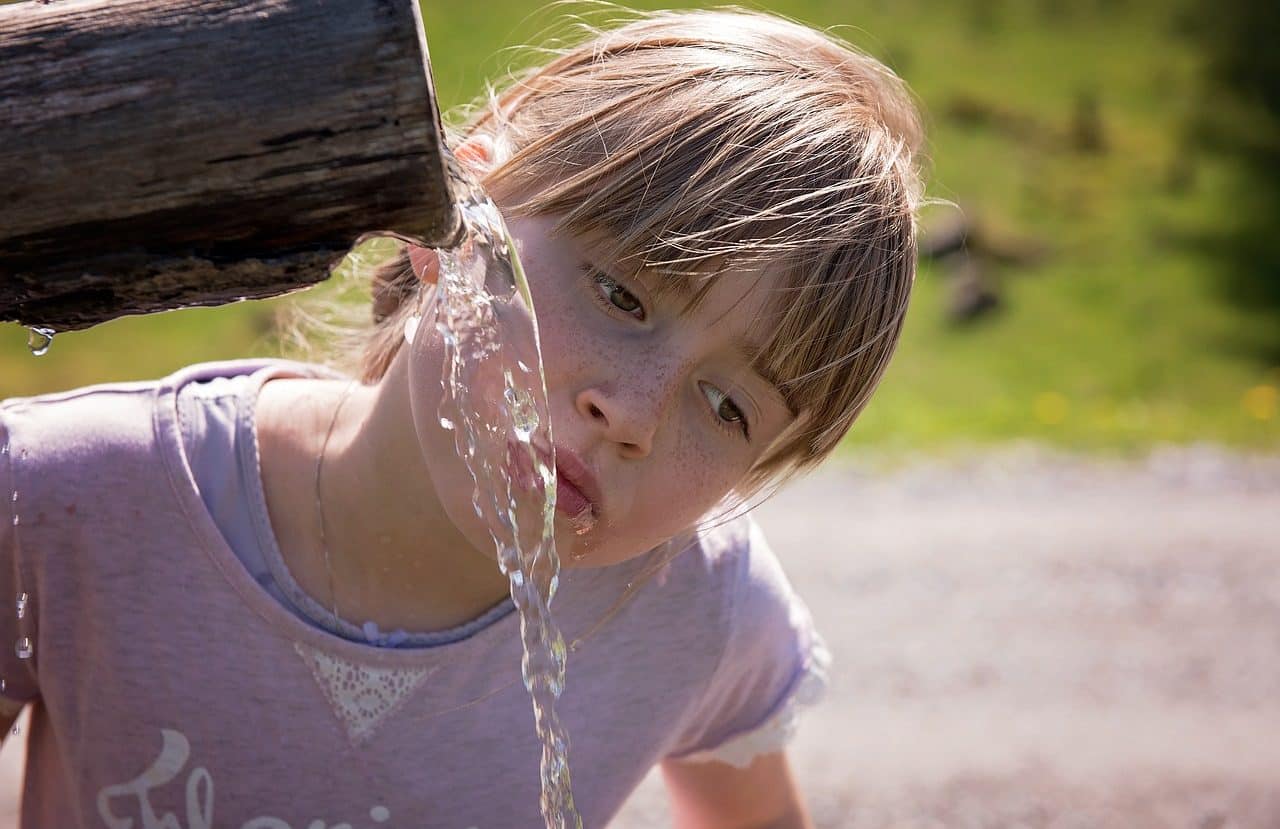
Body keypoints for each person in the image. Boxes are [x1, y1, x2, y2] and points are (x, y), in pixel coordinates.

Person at [0, 7, 922, 827]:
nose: (632, 414)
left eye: (726, 406)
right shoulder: (68, 501)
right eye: (620, 294)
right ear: (461, 209)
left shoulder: (696, 608)